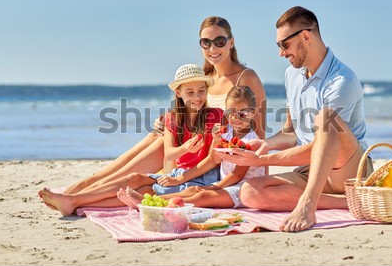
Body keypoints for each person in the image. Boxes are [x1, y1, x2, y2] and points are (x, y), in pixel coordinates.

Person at [40, 16, 266, 201]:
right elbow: (191, 106)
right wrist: (169, 119)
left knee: (158, 146)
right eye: (205, 42)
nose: (212, 48)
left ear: (231, 42)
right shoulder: (205, 76)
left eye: (219, 41)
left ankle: (85, 192)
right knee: (156, 135)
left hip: (211, 154)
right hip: (195, 144)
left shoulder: (246, 77)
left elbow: (258, 133)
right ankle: (86, 185)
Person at [215, 6, 373, 232]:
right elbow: (291, 133)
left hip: (347, 170)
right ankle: (345, 202)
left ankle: (308, 204)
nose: (281, 53)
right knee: (249, 191)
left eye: (284, 45)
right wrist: (264, 146)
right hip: (310, 171)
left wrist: (263, 161)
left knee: (325, 118)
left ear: (306, 36)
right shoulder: (292, 75)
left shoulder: (341, 81)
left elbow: (325, 146)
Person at [38, 64, 224, 215]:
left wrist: (180, 178)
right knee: (134, 178)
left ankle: (74, 202)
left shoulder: (216, 116)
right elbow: (169, 153)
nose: (197, 97)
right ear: (178, 93)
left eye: (201, 91)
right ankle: (75, 199)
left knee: (143, 192)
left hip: (200, 178)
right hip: (178, 175)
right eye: (190, 92)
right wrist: (185, 149)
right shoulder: (171, 118)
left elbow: (211, 161)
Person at [118, 85, 265, 209]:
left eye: (242, 113)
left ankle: (151, 206)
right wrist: (216, 140)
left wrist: (215, 186)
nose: (235, 118)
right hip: (226, 184)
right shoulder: (226, 132)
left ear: (252, 113)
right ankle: (149, 201)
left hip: (243, 189)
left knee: (202, 196)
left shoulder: (251, 141)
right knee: (192, 189)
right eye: (231, 112)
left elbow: (237, 175)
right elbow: (213, 159)